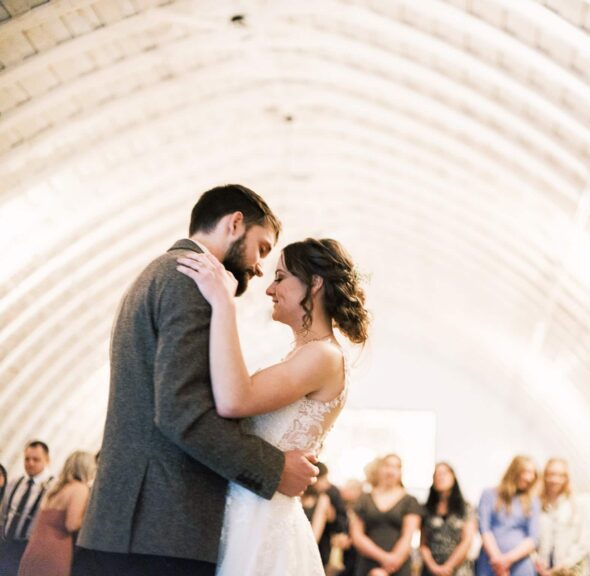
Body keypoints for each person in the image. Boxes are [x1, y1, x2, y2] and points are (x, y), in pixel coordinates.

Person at [74, 185, 319, 576]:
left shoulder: (162, 272)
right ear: (235, 223)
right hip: (160, 529)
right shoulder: (190, 280)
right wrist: (275, 469)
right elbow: (182, 411)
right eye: (261, 248)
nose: (259, 268)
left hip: (129, 525)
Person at [178, 236, 370, 574]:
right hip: (249, 513)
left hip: (261, 522)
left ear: (315, 283)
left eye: (280, 278)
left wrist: (224, 304)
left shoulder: (323, 356)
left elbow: (235, 400)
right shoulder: (304, 354)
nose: (269, 289)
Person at [18, 451, 96, 576]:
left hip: (34, 548)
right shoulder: (79, 488)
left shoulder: (56, 488)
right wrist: (93, 519)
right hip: (54, 550)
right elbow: (72, 524)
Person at [350, 453, 422, 576]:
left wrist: (390, 565)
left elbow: (408, 537)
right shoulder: (364, 499)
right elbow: (357, 535)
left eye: (396, 467)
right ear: (379, 469)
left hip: (398, 565)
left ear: (400, 472)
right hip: (368, 564)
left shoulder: (410, 501)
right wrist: (383, 558)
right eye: (387, 465)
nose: (391, 471)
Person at [476, 455, 541, 576]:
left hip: (520, 564)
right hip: (490, 562)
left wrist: (507, 560)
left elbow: (534, 538)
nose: (529, 478)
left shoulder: (533, 501)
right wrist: (497, 561)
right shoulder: (488, 494)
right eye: (526, 472)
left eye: (533, 474)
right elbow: (484, 530)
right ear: (514, 471)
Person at [0, 440, 55, 576]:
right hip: (6, 544)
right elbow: (4, 513)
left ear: (47, 460)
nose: (30, 463)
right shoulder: (15, 483)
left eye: (36, 459)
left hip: (29, 548)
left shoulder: (53, 487)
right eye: (27, 459)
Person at [535, 458, 590, 575]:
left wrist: (563, 565)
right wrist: (538, 563)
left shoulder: (576, 505)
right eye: (551, 474)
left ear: (566, 478)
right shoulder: (536, 504)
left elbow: (585, 541)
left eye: (560, 475)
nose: (555, 479)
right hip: (539, 569)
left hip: (566, 570)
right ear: (544, 476)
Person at [419, 462, 476, 576]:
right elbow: (423, 544)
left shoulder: (466, 508)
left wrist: (448, 567)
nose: (440, 477)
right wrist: (434, 568)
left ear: (453, 477)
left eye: (444, 473)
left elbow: (467, 541)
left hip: (459, 570)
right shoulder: (427, 509)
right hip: (431, 569)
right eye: (436, 474)